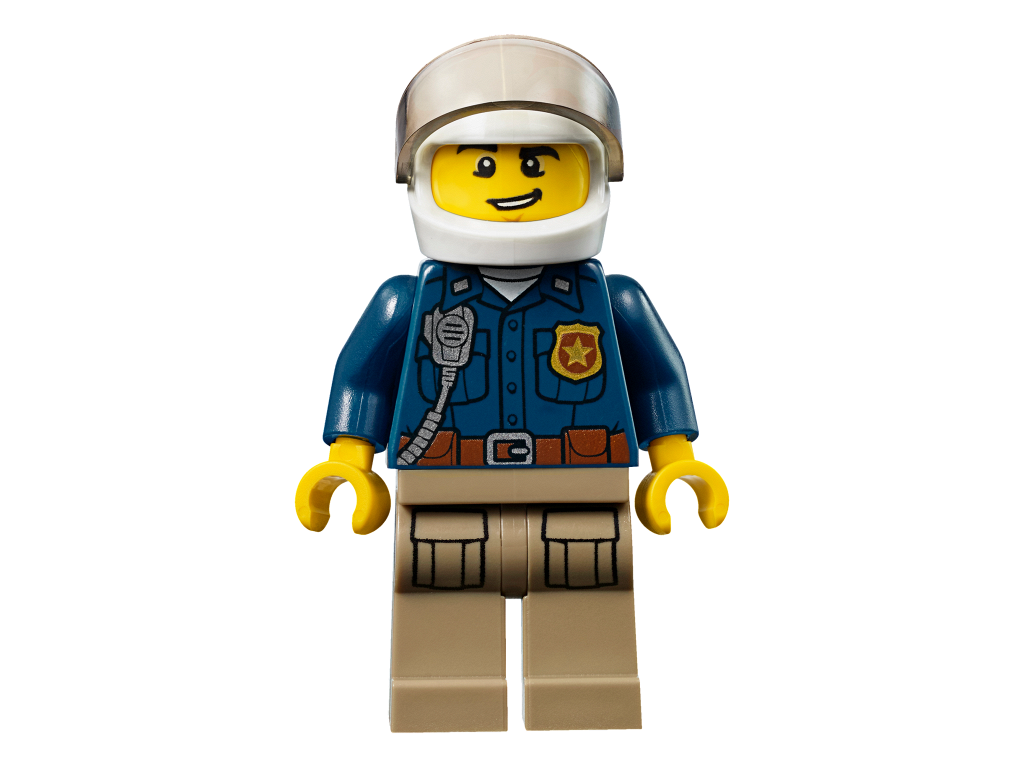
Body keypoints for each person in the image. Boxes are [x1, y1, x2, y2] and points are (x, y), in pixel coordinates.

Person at [295, 35, 729, 732]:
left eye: (537, 163)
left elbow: (657, 375)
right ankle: (444, 699)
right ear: (423, 176)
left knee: (588, 597)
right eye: (481, 165)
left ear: (592, 173)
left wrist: (674, 460)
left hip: (582, 480)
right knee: (441, 596)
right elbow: (363, 379)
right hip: (445, 481)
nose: (509, 183)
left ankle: (586, 697)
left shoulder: (612, 300)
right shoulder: (408, 302)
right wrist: (349, 461)